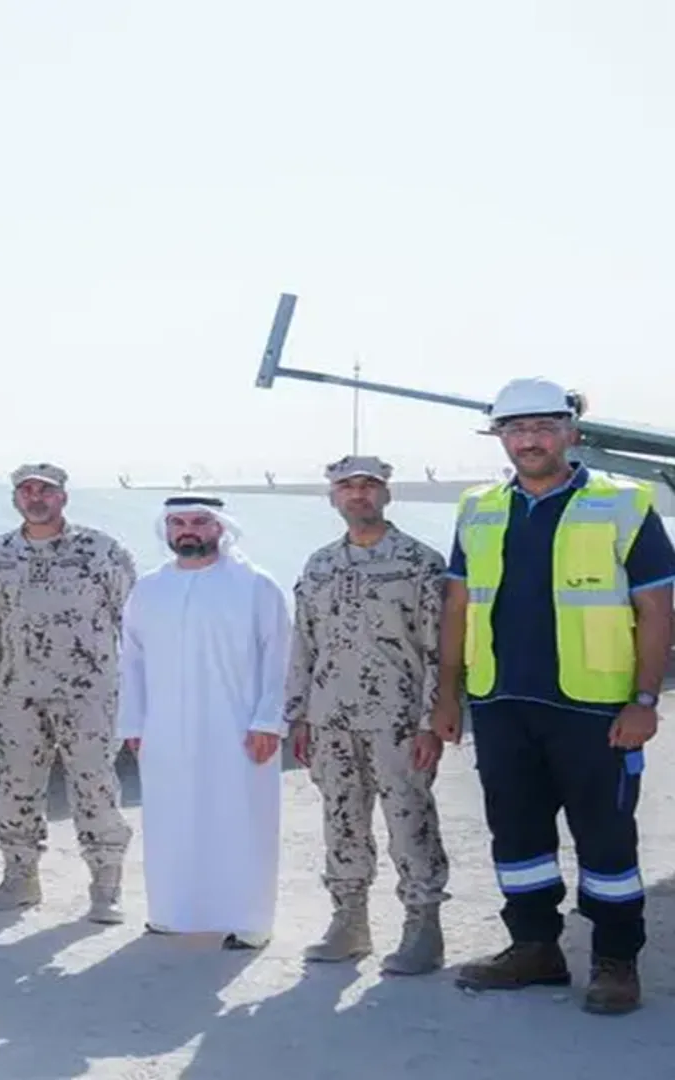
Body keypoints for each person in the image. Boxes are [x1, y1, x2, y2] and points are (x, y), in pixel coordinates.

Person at [434, 377, 674, 1015]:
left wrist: (644, 701)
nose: (530, 440)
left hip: (596, 710)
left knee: (607, 840)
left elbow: (656, 608)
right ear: (500, 437)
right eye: (515, 429)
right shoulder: (479, 507)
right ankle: (536, 948)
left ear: (570, 431)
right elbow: (457, 603)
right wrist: (447, 695)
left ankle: (616, 960)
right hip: (502, 703)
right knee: (515, 835)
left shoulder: (624, 503)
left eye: (543, 427)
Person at [285, 454, 451, 974]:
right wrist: (298, 715)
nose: (358, 495)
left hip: (397, 721)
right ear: (333, 497)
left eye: (369, 486)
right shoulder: (319, 565)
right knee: (341, 819)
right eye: (346, 487)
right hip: (331, 718)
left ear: (386, 494)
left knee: (409, 820)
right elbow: (303, 644)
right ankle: (349, 921)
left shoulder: (418, 562)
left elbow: (439, 648)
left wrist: (432, 721)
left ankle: (423, 926)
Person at [116, 494, 291, 949]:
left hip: (239, 729)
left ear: (220, 527)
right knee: (170, 819)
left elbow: (280, 657)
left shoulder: (255, 585)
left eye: (199, 521)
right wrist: (134, 724)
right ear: (167, 530)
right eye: (178, 523)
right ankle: (173, 912)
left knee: (241, 820)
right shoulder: (149, 589)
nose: (188, 530)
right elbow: (131, 660)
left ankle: (250, 921)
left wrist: (269, 721)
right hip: (166, 729)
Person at [0, 463, 137, 922]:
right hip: (18, 692)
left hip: (90, 693)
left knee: (95, 786)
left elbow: (134, 623)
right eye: (26, 490)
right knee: (15, 786)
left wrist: (141, 690)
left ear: (63, 497)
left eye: (45, 490)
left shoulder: (100, 550)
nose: (35, 497)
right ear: (16, 499)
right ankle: (19, 877)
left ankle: (106, 885)